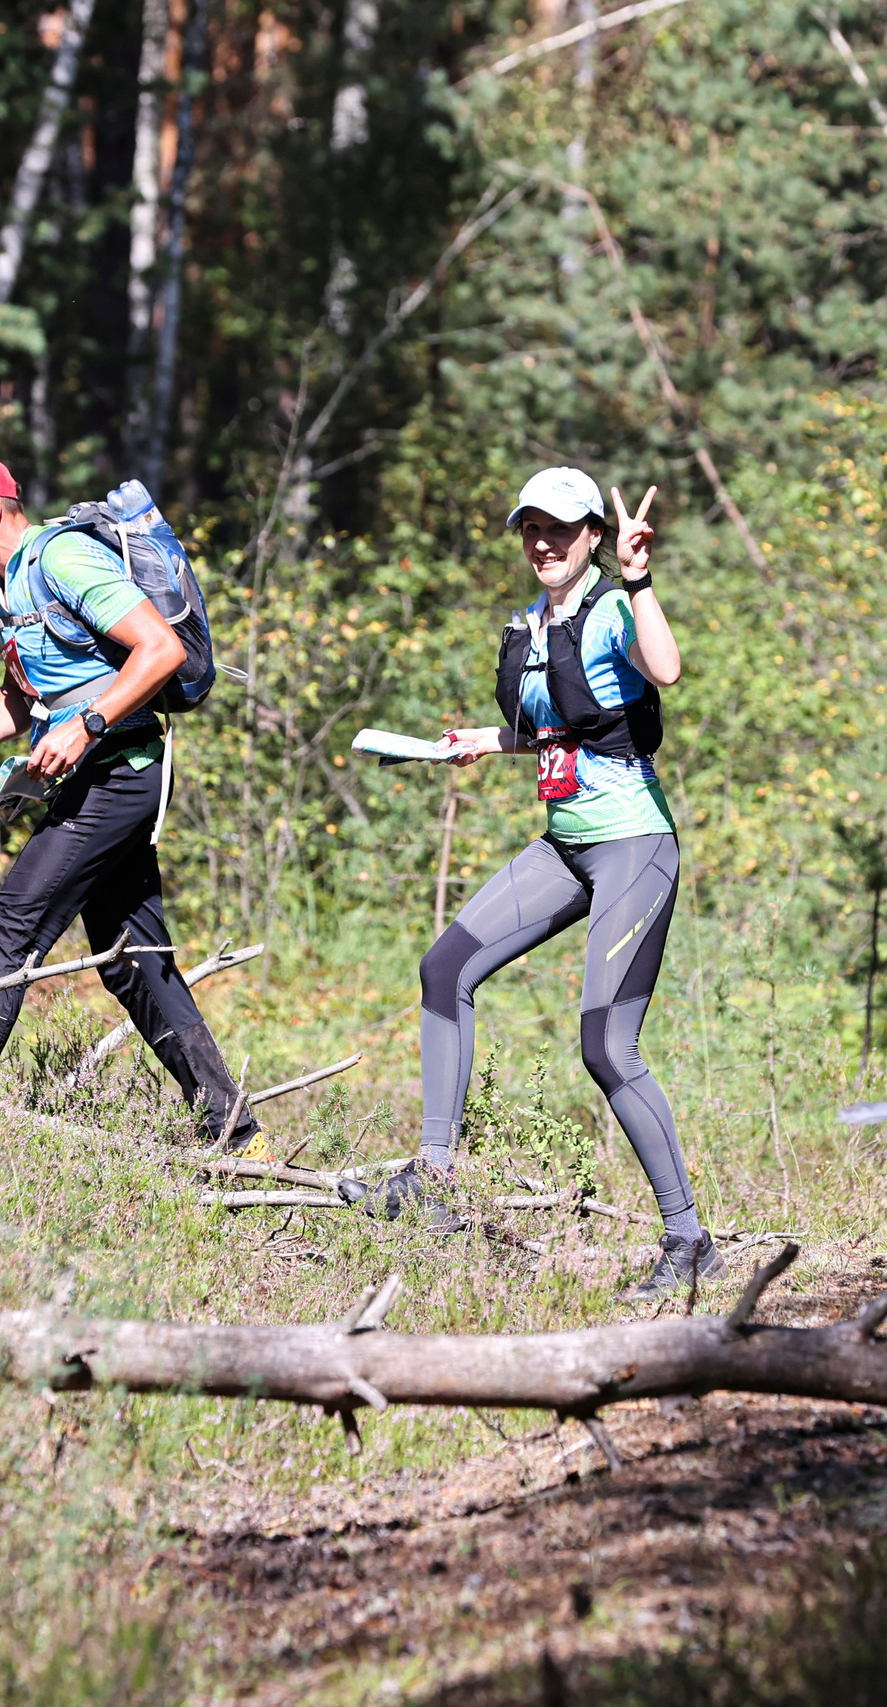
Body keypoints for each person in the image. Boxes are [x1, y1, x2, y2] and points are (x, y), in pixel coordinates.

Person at [364, 465, 716, 1301]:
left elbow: (665, 669)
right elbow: (562, 727)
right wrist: (484, 740)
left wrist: (640, 578)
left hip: (633, 845)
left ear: (594, 534)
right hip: (566, 845)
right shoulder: (530, 622)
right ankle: (434, 1177)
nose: (543, 542)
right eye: (531, 527)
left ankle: (689, 1239)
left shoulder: (615, 608)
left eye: (560, 528)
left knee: (607, 1046)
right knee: (445, 968)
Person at [0, 449, 259, 1151]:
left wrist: (87, 724)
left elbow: (159, 650)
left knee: (5, 929)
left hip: (119, 769)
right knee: (132, 957)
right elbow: (32, 690)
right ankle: (235, 1131)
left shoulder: (62, 558)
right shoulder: (8, 584)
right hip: (96, 773)